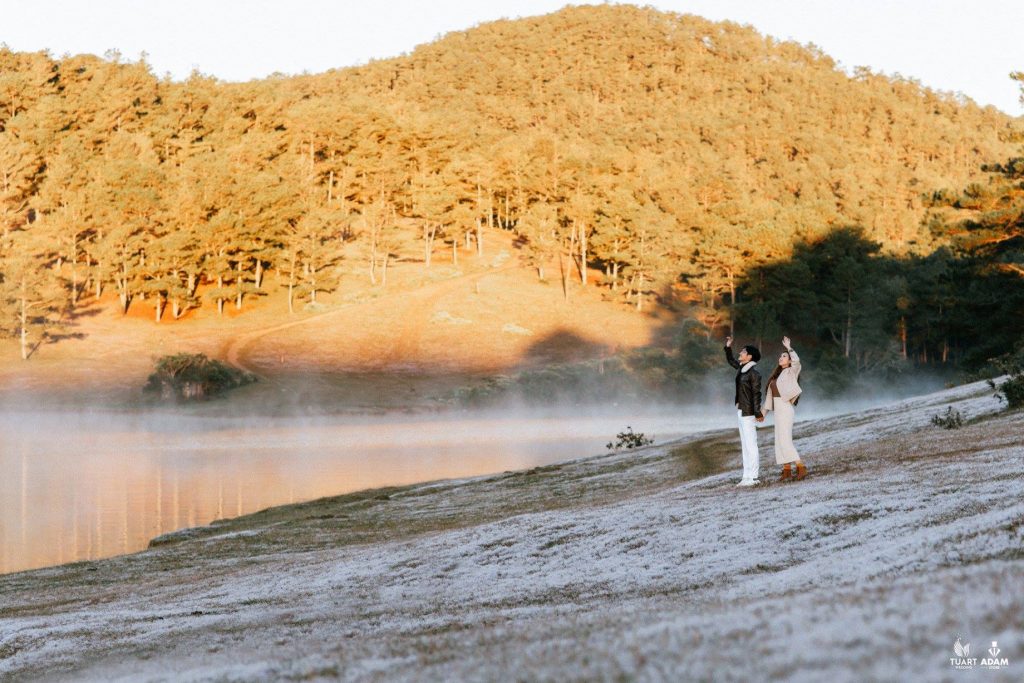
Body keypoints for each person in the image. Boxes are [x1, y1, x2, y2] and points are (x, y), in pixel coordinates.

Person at [760, 336, 806, 481]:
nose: (781, 357)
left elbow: (797, 362)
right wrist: (762, 414)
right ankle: (786, 469)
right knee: (779, 440)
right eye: (780, 356)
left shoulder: (792, 371)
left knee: (786, 440)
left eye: (784, 356)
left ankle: (800, 466)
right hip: (777, 410)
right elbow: (769, 399)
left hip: (786, 408)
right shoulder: (774, 378)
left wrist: (789, 348)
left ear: (789, 360)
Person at [724, 336, 763, 487]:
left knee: (751, 444)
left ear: (750, 356)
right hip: (740, 411)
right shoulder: (742, 369)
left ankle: (753, 477)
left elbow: (757, 395)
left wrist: (758, 413)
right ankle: (746, 476)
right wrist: (728, 347)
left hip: (749, 412)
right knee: (744, 445)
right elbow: (732, 361)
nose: (740, 353)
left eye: (743, 352)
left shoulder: (754, 374)